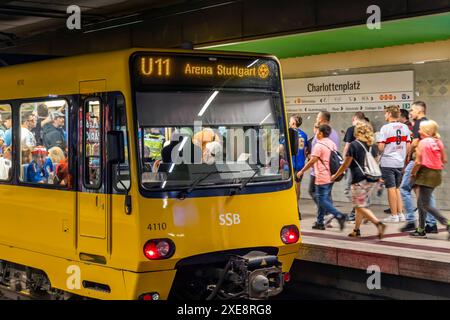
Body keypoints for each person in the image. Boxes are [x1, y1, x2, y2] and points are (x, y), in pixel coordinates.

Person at [331, 121, 386, 238]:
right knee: (359, 205)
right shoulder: (373, 146)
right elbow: (375, 163)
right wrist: (379, 178)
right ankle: (356, 230)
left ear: (357, 132)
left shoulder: (354, 145)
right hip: (371, 179)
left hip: (359, 180)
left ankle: (378, 223)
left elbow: (346, 164)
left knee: (359, 205)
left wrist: (335, 176)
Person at [297, 124, 347, 230]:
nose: (316, 133)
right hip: (331, 175)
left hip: (322, 176)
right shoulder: (331, 143)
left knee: (321, 199)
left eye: (317, 131)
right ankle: (320, 222)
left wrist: (301, 171)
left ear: (320, 133)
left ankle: (339, 215)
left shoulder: (318, 146)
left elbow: (312, 161)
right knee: (322, 198)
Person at [400, 101, 438, 232]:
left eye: (412, 110)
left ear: (419, 111)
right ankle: (431, 223)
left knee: (404, 188)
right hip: (427, 162)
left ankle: (411, 220)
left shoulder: (419, 123)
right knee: (425, 193)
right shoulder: (428, 123)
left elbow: (415, 142)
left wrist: (407, 157)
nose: (410, 113)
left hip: (417, 160)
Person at [409, 120, 450, 239]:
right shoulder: (438, 142)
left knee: (425, 204)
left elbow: (418, 162)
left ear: (426, 131)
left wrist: (412, 174)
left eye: (420, 128)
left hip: (425, 173)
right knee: (421, 202)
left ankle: (446, 222)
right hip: (436, 174)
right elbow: (444, 160)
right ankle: (421, 229)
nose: (418, 130)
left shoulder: (423, 143)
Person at [378, 105, 411, 223]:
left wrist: (378, 147)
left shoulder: (385, 128)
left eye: (385, 113)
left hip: (388, 162)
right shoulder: (405, 127)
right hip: (400, 162)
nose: (384, 115)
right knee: (397, 188)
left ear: (390, 114)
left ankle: (393, 215)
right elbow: (408, 145)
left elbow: (381, 147)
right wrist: (403, 157)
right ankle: (401, 213)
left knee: (391, 188)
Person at [308, 111, 340, 218]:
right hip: (330, 169)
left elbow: (319, 150)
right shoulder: (334, 133)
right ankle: (322, 219)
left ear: (321, 119)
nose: (316, 119)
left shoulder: (321, 134)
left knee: (313, 191)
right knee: (326, 193)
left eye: (317, 117)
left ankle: (329, 212)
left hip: (320, 170)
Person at [342, 112, 367, 222]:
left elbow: (347, 147)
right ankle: (361, 210)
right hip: (365, 165)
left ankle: (357, 211)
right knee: (360, 190)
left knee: (348, 190)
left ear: (354, 119)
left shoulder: (351, 129)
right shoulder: (367, 130)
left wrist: (343, 162)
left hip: (353, 165)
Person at [289, 115, 308, 206]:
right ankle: (296, 208)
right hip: (301, 164)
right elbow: (306, 150)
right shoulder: (304, 135)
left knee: (289, 188)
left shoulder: (289, 134)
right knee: (298, 187)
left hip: (291, 164)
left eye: (290, 121)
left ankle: (291, 208)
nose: (289, 123)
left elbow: (281, 149)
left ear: (293, 123)